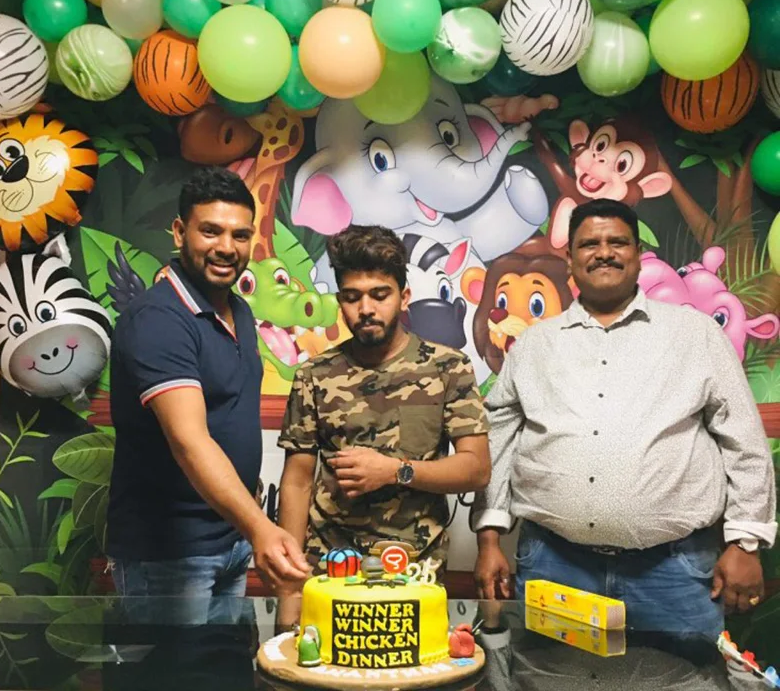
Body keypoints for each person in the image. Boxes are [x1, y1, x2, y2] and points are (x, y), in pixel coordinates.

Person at [473, 198, 776, 636]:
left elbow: (743, 440)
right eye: (589, 244)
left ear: (638, 253)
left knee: (686, 674)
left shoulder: (696, 334)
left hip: (675, 573)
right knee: (551, 672)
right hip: (556, 567)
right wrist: (488, 538)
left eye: (617, 242)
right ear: (570, 259)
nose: (604, 252)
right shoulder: (535, 346)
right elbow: (498, 441)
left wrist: (745, 543)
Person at [107, 166, 309, 618]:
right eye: (211, 231)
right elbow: (190, 441)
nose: (226, 247)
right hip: (170, 554)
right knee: (176, 663)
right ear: (181, 232)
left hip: (230, 540)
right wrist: (261, 528)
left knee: (222, 661)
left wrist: (247, 531)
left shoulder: (239, 310)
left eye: (240, 235)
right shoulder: (159, 318)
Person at [277, 224, 491, 575]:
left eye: (380, 295)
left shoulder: (448, 367)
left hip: (416, 566)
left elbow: (476, 469)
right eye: (352, 297)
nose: (366, 308)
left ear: (404, 297)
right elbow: (297, 482)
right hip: (330, 564)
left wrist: (395, 471)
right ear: (340, 302)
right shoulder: (313, 375)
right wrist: (290, 572)